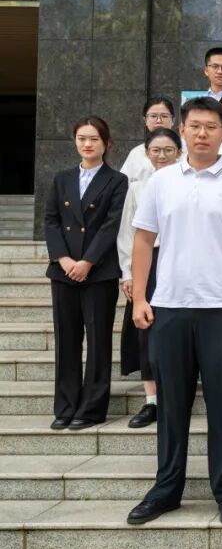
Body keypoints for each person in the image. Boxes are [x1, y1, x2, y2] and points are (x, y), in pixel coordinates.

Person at [126, 97, 222, 527]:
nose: (202, 133)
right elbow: (142, 240)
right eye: (195, 126)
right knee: (172, 405)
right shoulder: (162, 181)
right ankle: (166, 489)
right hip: (170, 307)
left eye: (211, 127)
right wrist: (139, 298)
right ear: (182, 130)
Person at [45, 116, 128, 431]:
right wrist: (64, 259)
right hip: (64, 270)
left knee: (98, 341)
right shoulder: (62, 178)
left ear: (107, 143)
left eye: (94, 139)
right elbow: (51, 220)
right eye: (82, 138)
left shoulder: (116, 180)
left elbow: (111, 224)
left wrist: (87, 261)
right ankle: (65, 405)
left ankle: (92, 408)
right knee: (66, 339)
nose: (87, 144)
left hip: (99, 271)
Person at [118, 127, 181, 429]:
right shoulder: (138, 188)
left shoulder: (187, 183)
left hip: (180, 261)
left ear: (179, 152)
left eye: (168, 150)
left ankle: (177, 393)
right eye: (156, 150)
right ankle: (152, 400)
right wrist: (128, 272)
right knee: (146, 329)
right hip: (148, 262)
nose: (162, 155)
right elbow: (127, 233)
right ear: (146, 153)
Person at [120, 97, 177, 183]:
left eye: (164, 116)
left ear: (173, 120)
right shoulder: (136, 153)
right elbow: (124, 183)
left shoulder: (187, 150)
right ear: (145, 120)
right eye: (153, 116)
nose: (159, 121)